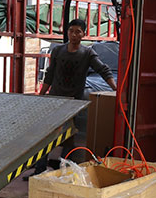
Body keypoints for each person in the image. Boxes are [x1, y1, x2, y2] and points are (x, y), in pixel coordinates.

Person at [38, 18, 117, 165]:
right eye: (71, 31)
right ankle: (40, 168)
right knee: (47, 135)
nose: (74, 35)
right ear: (67, 32)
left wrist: (115, 89)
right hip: (55, 99)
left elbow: (103, 70)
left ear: (83, 34)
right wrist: (41, 95)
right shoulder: (58, 51)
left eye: (78, 32)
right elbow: (50, 74)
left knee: (69, 135)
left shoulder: (87, 53)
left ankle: (64, 166)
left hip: (74, 102)